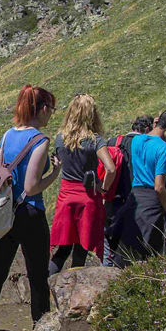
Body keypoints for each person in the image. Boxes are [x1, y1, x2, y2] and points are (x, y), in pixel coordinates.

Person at [0, 86, 60, 331]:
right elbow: (31, 187)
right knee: (38, 276)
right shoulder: (40, 140)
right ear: (43, 109)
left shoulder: (7, 136)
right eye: (51, 109)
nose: (51, 114)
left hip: (5, 213)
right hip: (30, 213)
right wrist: (55, 173)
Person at [48, 93, 117, 273]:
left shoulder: (60, 138)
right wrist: (103, 189)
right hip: (88, 197)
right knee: (81, 249)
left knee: (62, 249)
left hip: (66, 196)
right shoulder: (95, 140)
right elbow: (111, 168)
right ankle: (73, 285)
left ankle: (44, 283)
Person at [117, 109, 166, 263]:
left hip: (134, 198)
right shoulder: (164, 148)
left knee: (131, 250)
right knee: (152, 254)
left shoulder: (137, 141)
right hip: (152, 203)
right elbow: (159, 187)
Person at [103, 115, 157, 267]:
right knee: (129, 246)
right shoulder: (144, 145)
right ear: (147, 129)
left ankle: (106, 270)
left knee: (109, 241)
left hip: (111, 198)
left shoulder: (113, 142)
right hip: (134, 201)